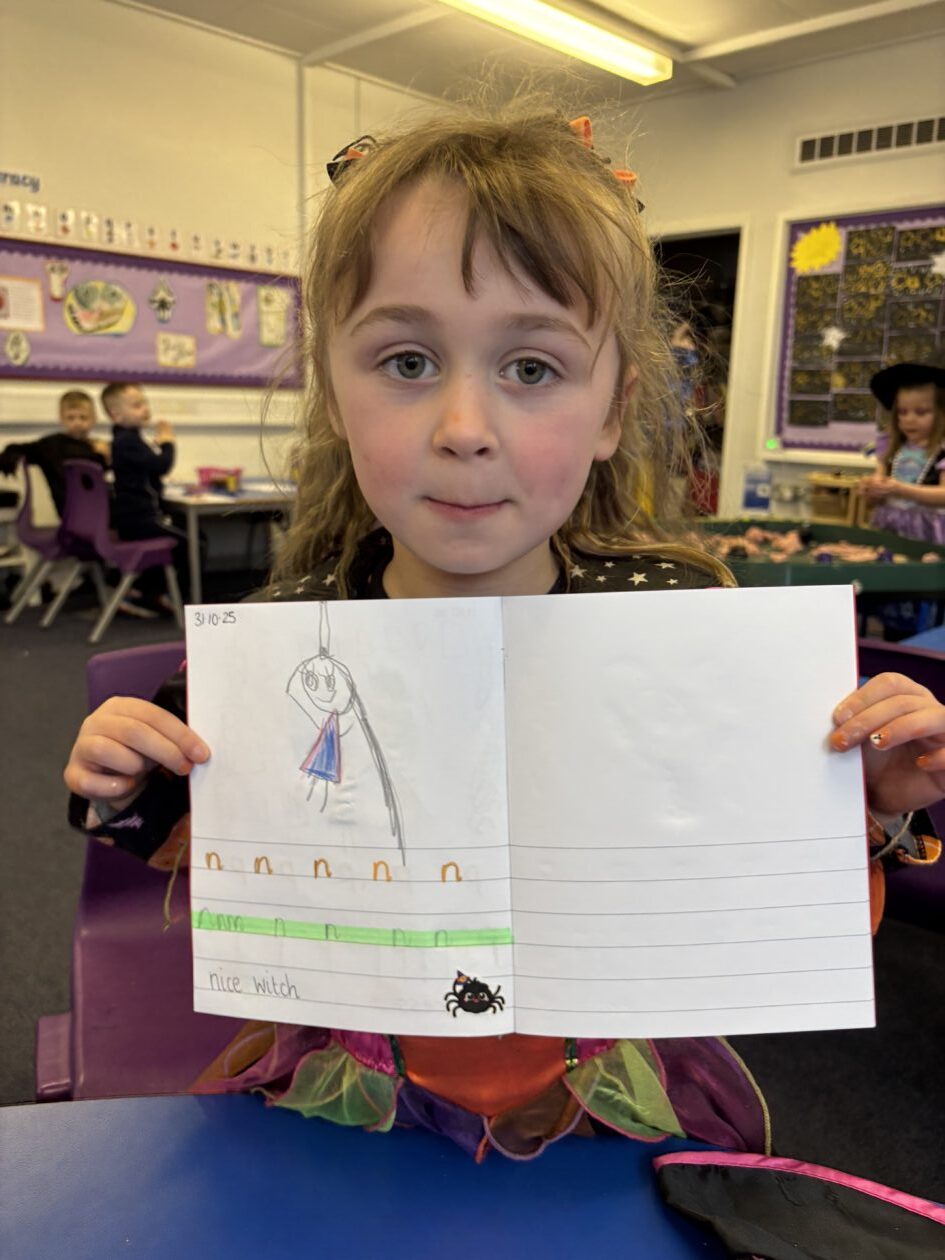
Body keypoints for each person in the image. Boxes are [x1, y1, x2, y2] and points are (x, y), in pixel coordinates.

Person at [64, 105, 945, 1161]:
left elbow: (758, 863)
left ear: (612, 410)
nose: (465, 430)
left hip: (605, 1087)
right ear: (333, 392)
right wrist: (121, 777)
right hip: (351, 1082)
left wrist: (869, 797)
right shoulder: (282, 642)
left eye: (531, 369)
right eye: (405, 362)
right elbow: (180, 825)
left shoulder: (677, 623)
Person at [100, 381, 187, 609]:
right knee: (190, 544)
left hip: (136, 517)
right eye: (137, 405)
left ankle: (150, 591)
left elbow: (147, 468)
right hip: (139, 519)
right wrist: (168, 442)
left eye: (145, 403)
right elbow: (162, 465)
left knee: (188, 529)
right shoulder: (128, 441)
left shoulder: (127, 438)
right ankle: (171, 596)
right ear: (116, 415)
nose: (145, 409)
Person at [860, 360, 945, 546]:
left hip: (929, 532)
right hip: (890, 527)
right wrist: (872, 490)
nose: (909, 419)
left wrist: (901, 489)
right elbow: (876, 498)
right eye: (902, 412)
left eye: (921, 412)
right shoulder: (891, 447)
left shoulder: (942, 452)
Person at [0, 389, 109, 515]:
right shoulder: (51, 445)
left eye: (83, 418)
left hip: (90, 507)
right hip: (77, 509)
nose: (77, 423)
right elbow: (14, 449)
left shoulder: (97, 446)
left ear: (94, 419)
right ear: (62, 419)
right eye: (71, 418)